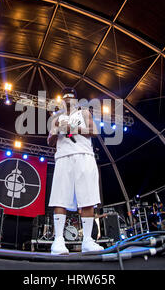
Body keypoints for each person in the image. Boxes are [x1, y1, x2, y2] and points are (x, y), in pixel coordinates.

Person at [47, 87, 104, 254]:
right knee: (60, 197)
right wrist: (56, 130)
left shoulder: (84, 112)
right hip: (63, 156)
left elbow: (94, 131)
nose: (67, 101)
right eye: (65, 98)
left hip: (84, 155)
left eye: (70, 98)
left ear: (75, 100)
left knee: (87, 198)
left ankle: (87, 240)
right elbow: (49, 141)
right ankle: (58, 241)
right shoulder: (57, 117)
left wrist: (71, 128)